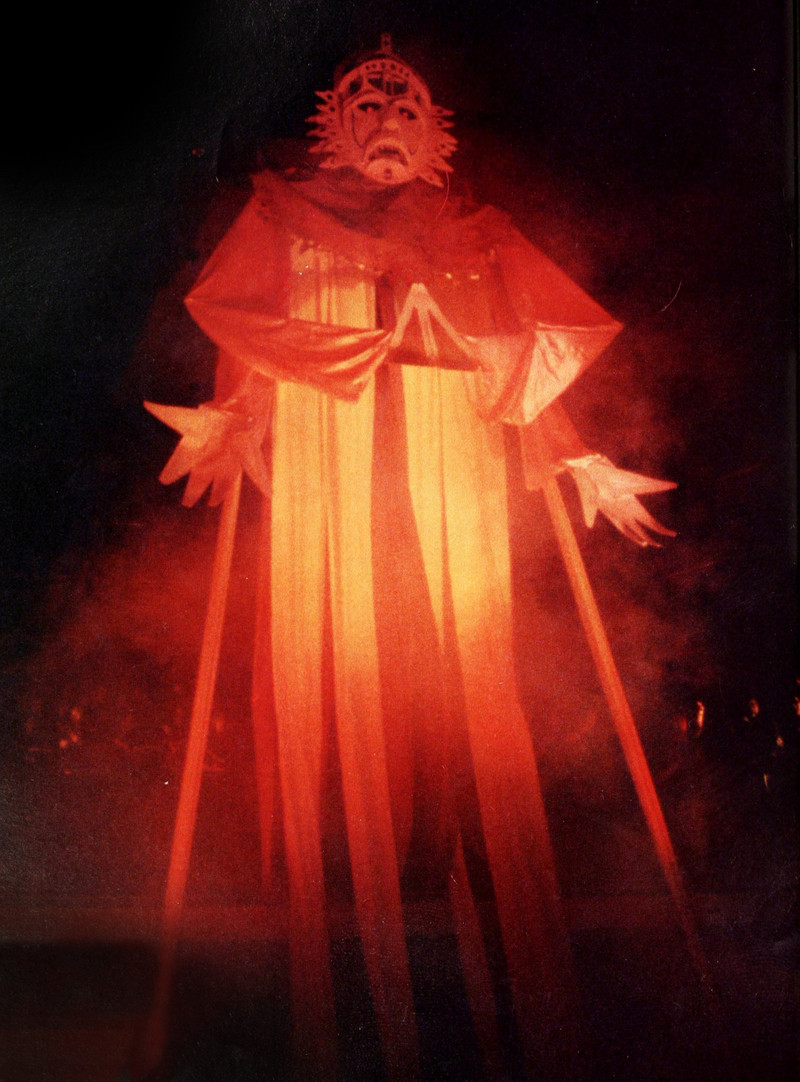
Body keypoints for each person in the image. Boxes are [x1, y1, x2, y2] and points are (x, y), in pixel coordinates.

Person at [147, 35, 675, 1080]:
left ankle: (469, 930)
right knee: (335, 677)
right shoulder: (286, 218)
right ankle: (334, 949)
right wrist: (234, 417)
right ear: (333, 123)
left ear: (435, 133)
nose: (387, 120)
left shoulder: (472, 236)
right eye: (367, 105)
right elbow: (248, 325)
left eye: (405, 108)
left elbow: (521, 360)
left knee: (461, 691)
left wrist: (575, 456)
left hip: (451, 490)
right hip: (331, 488)